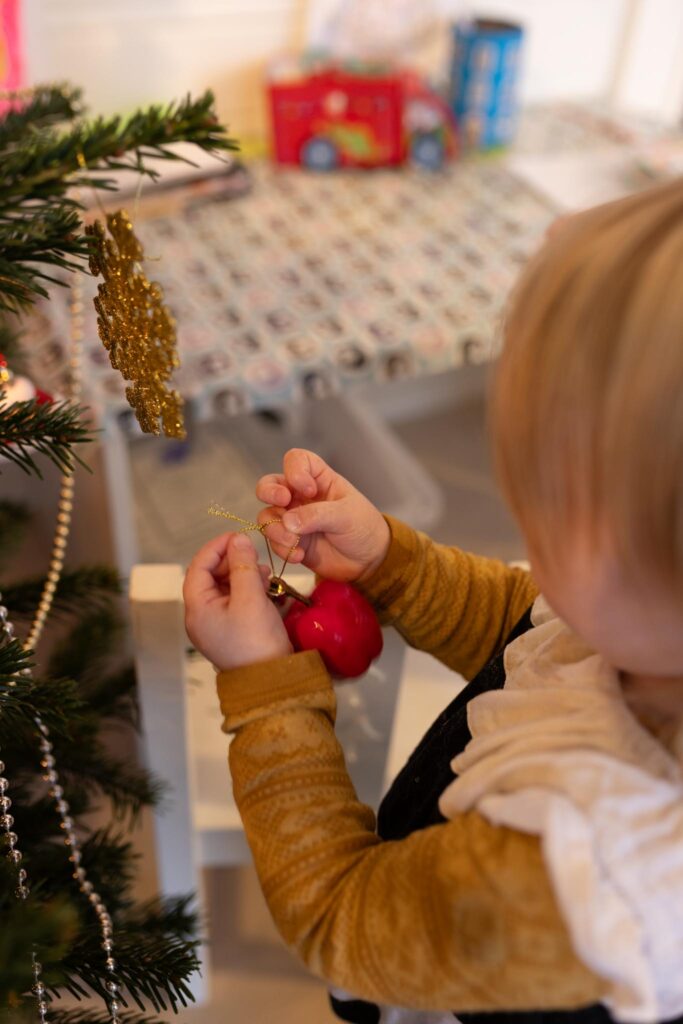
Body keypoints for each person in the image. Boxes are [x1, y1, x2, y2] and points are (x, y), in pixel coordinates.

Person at [183, 178, 683, 1024]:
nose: (521, 523)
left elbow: (341, 915)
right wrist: (391, 563)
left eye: (537, 500)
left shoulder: (578, 879)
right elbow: (530, 633)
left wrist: (267, 693)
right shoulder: (643, 636)